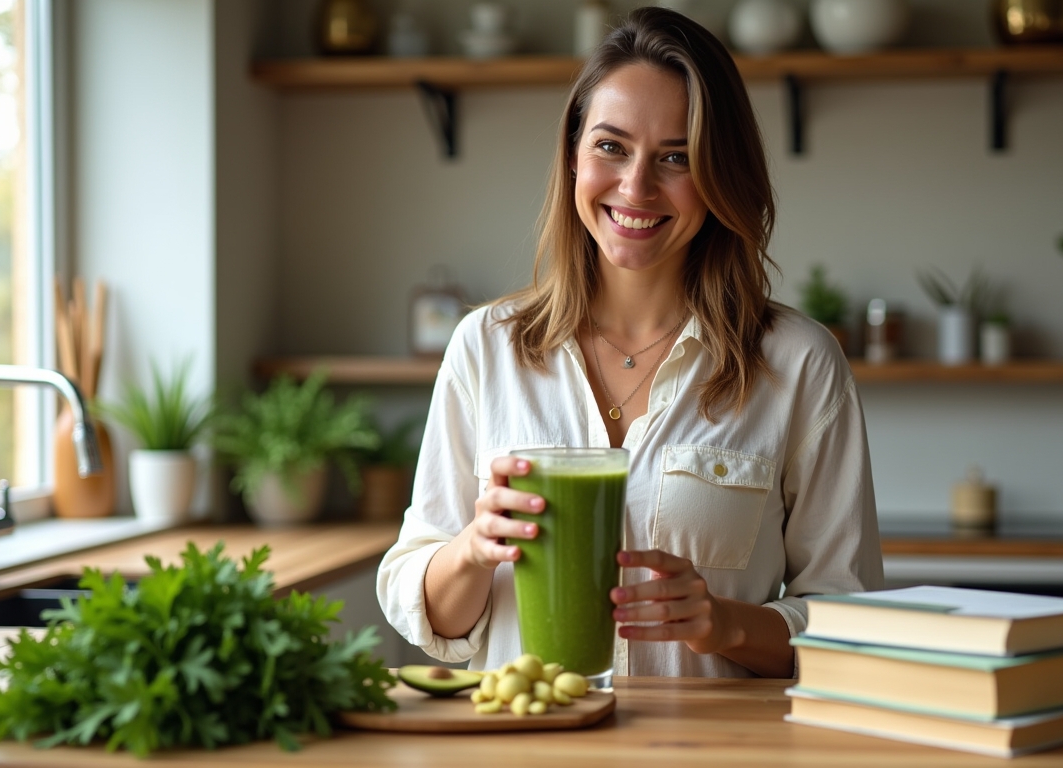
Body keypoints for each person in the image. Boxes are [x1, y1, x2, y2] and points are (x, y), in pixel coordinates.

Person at [378, 7, 883, 679]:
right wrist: (472, 551)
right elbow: (422, 604)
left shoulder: (799, 365)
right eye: (611, 146)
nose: (636, 187)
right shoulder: (485, 348)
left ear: (719, 177)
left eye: (676, 157)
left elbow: (853, 624)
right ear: (573, 156)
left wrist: (726, 624)